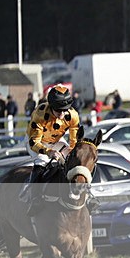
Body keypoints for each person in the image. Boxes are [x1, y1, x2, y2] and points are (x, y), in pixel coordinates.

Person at [20, 84, 99, 216]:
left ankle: (89, 195)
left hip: (56, 140)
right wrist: (49, 152)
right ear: (51, 107)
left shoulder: (72, 115)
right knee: (41, 162)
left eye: (64, 110)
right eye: (58, 111)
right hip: (36, 142)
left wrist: (71, 155)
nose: (62, 115)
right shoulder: (40, 114)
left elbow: (73, 141)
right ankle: (35, 198)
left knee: (74, 161)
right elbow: (35, 143)